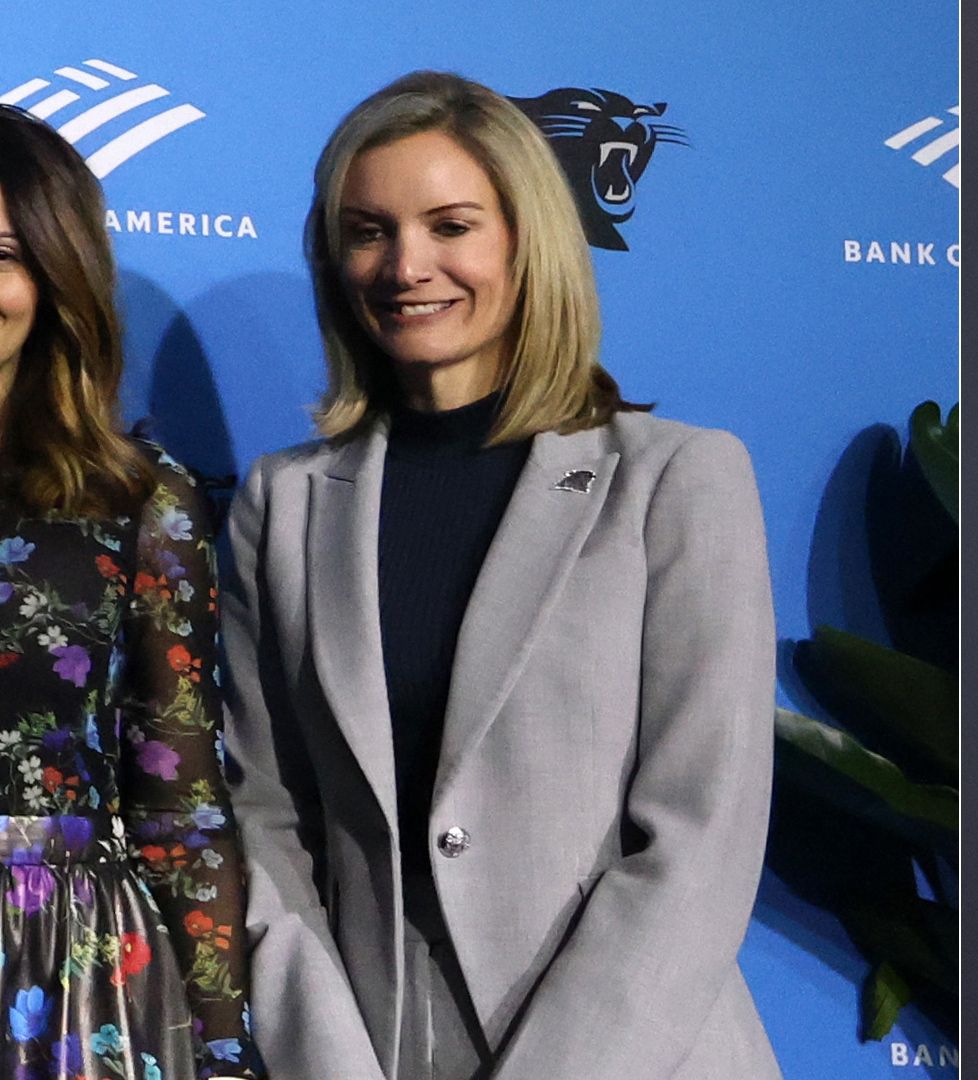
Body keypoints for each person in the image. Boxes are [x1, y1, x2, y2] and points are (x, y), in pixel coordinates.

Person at [222, 72, 778, 1079]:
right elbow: (267, 818)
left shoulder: (675, 480)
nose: (406, 265)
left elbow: (700, 836)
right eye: (369, 230)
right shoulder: (284, 503)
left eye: (451, 225)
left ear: (527, 240)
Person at [0, 105, 264, 1079]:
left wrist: (226, 1052)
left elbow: (181, 802)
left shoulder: (141, 502)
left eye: (2, 254)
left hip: (63, 981)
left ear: (56, 277)